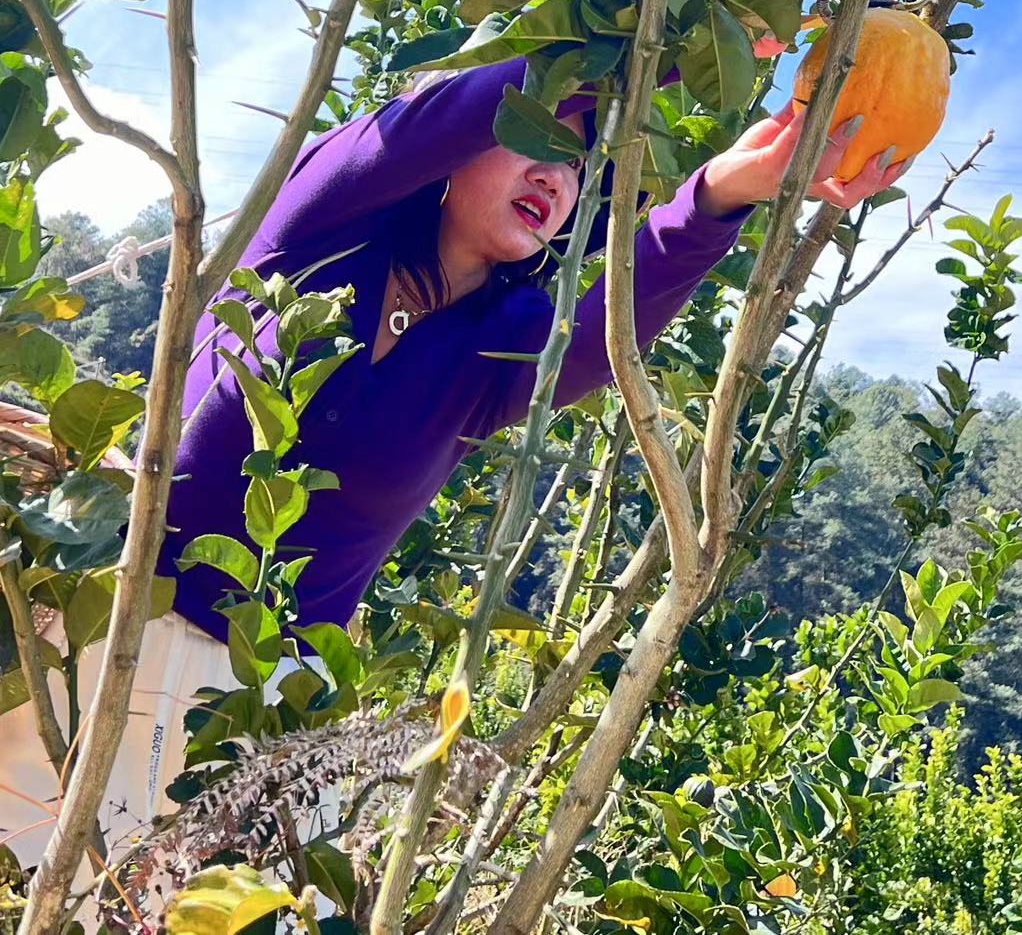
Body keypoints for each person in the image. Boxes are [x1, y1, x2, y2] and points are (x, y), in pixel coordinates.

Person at [0, 56, 906, 868]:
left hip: (251, 712)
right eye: (538, 145)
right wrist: (662, 40)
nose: (555, 177)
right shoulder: (316, 231)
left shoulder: (495, 361)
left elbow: (617, 310)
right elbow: (456, 110)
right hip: (94, 625)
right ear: (460, 151)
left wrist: (726, 188)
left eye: (578, 171)